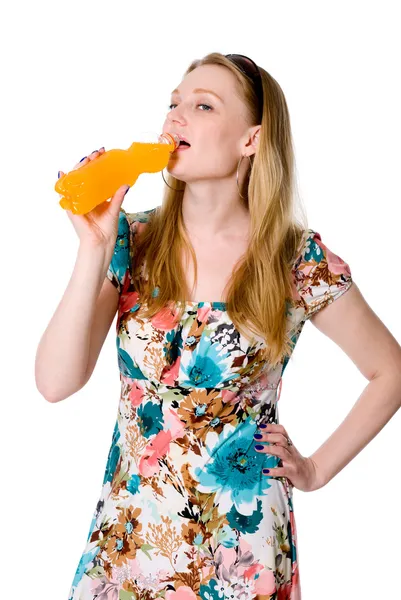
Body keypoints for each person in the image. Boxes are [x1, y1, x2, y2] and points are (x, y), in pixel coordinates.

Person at [35, 52, 401, 600]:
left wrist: (316, 469)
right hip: (134, 539)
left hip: (243, 546)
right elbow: (54, 383)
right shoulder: (131, 243)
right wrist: (93, 246)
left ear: (250, 140)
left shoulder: (296, 259)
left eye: (203, 105)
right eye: (173, 102)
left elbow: (389, 370)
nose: (176, 116)